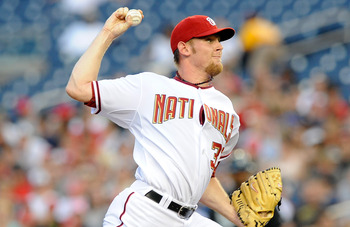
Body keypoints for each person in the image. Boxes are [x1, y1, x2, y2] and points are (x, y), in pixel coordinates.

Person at [66, 7, 243, 227]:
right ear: (184, 47)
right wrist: (107, 34)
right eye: (209, 40)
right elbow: (78, 87)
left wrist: (240, 218)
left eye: (218, 40)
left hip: (188, 218)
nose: (219, 46)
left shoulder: (227, 110)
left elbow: (200, 180)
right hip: (144, 212)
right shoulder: (149, 87)